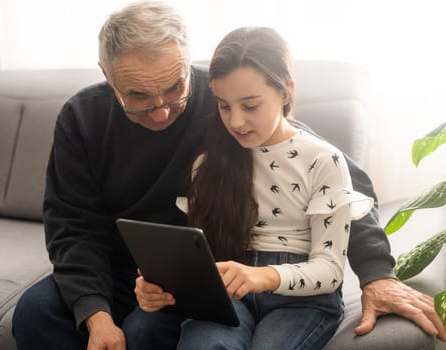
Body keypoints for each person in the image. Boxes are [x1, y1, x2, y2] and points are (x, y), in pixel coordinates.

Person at [11, 1, 446, 350]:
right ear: (107, 77)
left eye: (173, 89)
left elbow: (343, 182)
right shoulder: (81, 118)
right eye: (139, 97)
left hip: (206, 274)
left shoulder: (226, 102)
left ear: (186, 64)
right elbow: (72, 224)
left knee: (155, 331)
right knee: (35, 314)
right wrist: (96, 315)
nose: (161, 110)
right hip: (125, 273)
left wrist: (376, 274)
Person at [135, 25, 376, 350]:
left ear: (286, 91)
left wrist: (262, 277)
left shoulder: (323, 160)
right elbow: (202, 255)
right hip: (232, 294)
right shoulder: (208, 163)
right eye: (224, 105)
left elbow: (331, 270)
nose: (235, 121)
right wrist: (158, 285)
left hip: (302, 300)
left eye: (250, 106)